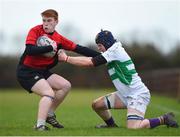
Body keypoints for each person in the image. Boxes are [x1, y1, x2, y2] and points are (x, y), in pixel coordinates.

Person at [58, 30, 179, 129]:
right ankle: (111, 125)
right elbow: (92, 55)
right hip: (125, 94)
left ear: (106, 43)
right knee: (97, 105)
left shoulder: (115, 51)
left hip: (138, 95)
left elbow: (91, 62)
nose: (99, 49)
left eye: (100, 46)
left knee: (134, 127)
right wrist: (71, 47)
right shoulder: (111, 51)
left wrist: (67, 58)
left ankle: (164, 119)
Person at [16, 9, 100, 131]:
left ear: (56, 22)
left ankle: (49, 114)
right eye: (44, 20)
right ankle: (40, 125)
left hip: (42, 71)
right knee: (48, 93)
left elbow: (79, 49)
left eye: (49, 20)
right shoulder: (35, 31)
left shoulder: (58, 38)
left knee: (65, 85)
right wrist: (50, 47)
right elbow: (29, 50)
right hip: (27, 71)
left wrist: (102, 56)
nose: (46, 23)